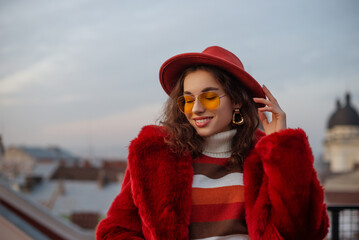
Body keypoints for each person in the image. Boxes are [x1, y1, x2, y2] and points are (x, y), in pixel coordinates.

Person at [96, 46, 329, 240]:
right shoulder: (154, 155)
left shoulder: (265, 156)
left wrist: (281, 147)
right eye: (187, 100)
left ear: (236, 99)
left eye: (209, 97)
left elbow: (305, 231)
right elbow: (114, 231)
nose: (196, 108)